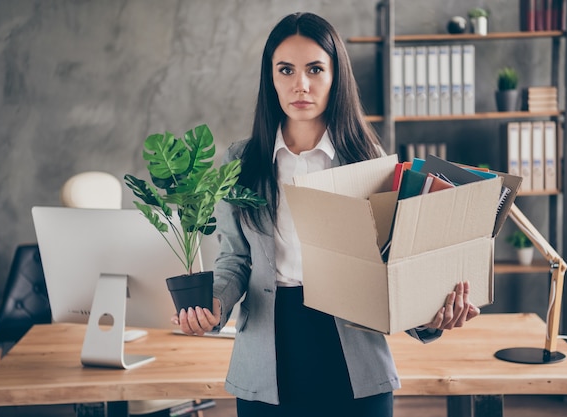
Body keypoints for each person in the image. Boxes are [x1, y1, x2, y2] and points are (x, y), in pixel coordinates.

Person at [172, 12, 480, 417]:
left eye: (315, 69)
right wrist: (213, 303)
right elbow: (236, 259)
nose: (301, 84)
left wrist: (431, 319)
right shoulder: (242, 162)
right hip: (269, 356)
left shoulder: (370, 163)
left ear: (336, 76)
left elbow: (395, 265)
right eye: (286, 70)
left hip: (353, 355)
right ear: (271, 79)